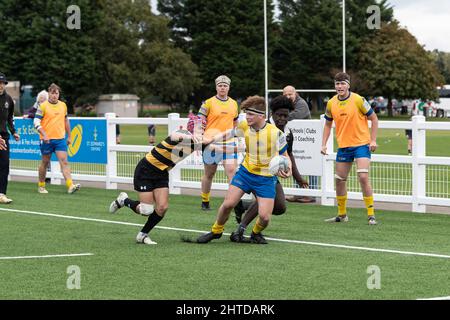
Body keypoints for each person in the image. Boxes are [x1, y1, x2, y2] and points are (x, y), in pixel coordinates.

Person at [196, 95, 292, 245]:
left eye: (250, 114)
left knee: (265, 217)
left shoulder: (276, 134)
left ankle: (255, 233)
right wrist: (210, 140)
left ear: (261, 116)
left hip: (266, 179)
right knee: (228, 204)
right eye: (246, 113)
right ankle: (216, 231)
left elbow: (285, 156)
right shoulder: (244, 126)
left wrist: (289, 169)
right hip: (246, 173)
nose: (247, 117)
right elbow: (228, 133)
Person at [230, 95, 308, 242]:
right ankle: (241, 229)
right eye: (279, 115)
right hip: (253, 171)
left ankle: (244, 206)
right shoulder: (259, 124)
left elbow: (288, 155)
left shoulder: (287, 133)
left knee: (280, 207)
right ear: (271, 114)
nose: (282, 119)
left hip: (271, 173)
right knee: (265, 200)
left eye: (286, 116)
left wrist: (297, 177)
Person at [109, 128, 205, 245]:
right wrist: (190, 137)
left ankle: (143, 235)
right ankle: (124, 200)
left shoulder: (198, 144)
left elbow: (217, 146)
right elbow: (175, 135)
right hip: (146, 169)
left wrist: (232, 135)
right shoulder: (182, 134)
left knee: (162, 207)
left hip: (162, 173)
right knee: (146, 211)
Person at [321, 72, 378, 225]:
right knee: (339, 180)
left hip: (361, 144)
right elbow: (327, 124)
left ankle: (371, 214)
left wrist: (373, 140)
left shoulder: (359, 100)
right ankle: (342, 214)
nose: (339, 86)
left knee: (363, 177)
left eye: (342, 83)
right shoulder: (331, 103)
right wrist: (323, 144)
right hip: (344, 146)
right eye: (337, 84)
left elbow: (374, 118)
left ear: (348, 85)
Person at [198, 75, 240, 211]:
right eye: (220, 85)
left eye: (225, 86)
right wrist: (200, 137)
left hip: (229, 143)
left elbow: (235, 122)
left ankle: (231, 202)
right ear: (216, 87)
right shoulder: (208, 103)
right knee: (209, 174)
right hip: (211, 144)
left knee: (232, 172)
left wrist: (236, 135)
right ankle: (205, 201)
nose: (222, 88)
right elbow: (199, 121)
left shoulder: (234, 103)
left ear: (229, 87)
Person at [33, 83, 80, 194]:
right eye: (52, 93)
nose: (54, 95)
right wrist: (44, 134)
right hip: (46, 140)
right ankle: (41, 185)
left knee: (64, 162)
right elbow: (36, 121)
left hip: (60, 139)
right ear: (49, 93)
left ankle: (70, 185)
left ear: (59, 94)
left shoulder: (63, 105)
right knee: (45, 163)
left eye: (56, 93)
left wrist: (70, 136)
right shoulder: (43, 106)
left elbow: (66, 120)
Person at [282, 85, 315, 203]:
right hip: (294, 138)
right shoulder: (285, 104)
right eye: (285, 94)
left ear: (295, 93)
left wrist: (282, 116)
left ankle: (311, 194)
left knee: (311, 165)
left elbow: (296, 115)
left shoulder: (301, 103)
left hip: (308, 138)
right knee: (296, 164)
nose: (288, 96)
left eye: (290, 94)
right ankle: (298, 193)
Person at [0, 73, 20, 204]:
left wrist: (13, 132)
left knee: (4, 165)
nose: (1, 85)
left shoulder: (8, 99)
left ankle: (2, 194)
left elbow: (9, 119)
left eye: (2, 83)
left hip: (4, 137)